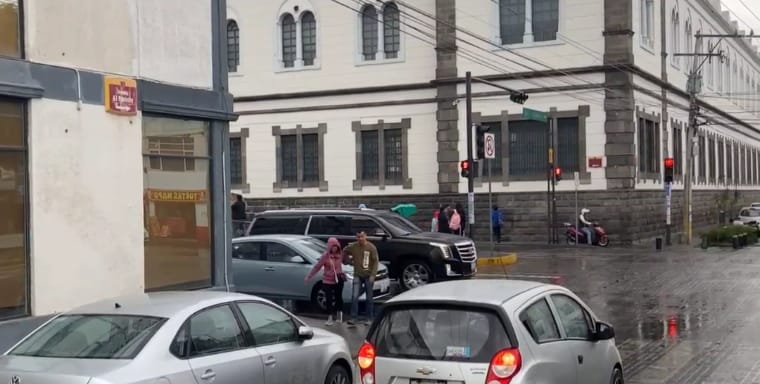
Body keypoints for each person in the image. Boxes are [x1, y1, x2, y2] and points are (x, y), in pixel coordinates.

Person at [305, 238, 346, 325]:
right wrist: (309, 277)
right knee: (328, 299)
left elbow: (347, 262)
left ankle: (339, 314)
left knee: (338, 297)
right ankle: (330, 317)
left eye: (335, 246)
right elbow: (317, 267)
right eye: (332, 246)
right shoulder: (325, 256)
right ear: (329, 247)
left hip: (338, 279)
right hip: (327, 280)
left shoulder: (341, 254)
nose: (334, 248)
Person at [343, 231, 379, 326]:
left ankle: (369, 318)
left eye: (362, 236)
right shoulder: (353, 246)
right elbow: (344, 251)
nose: (360, 239)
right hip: (357, 274)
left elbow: (375, 262)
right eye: (358, 237)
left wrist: (373, 275)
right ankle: (354, 318)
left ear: (365, 236)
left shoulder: (371, 247)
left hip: (368, 275)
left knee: (369, 298)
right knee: (354, 297)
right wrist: (348, 260)